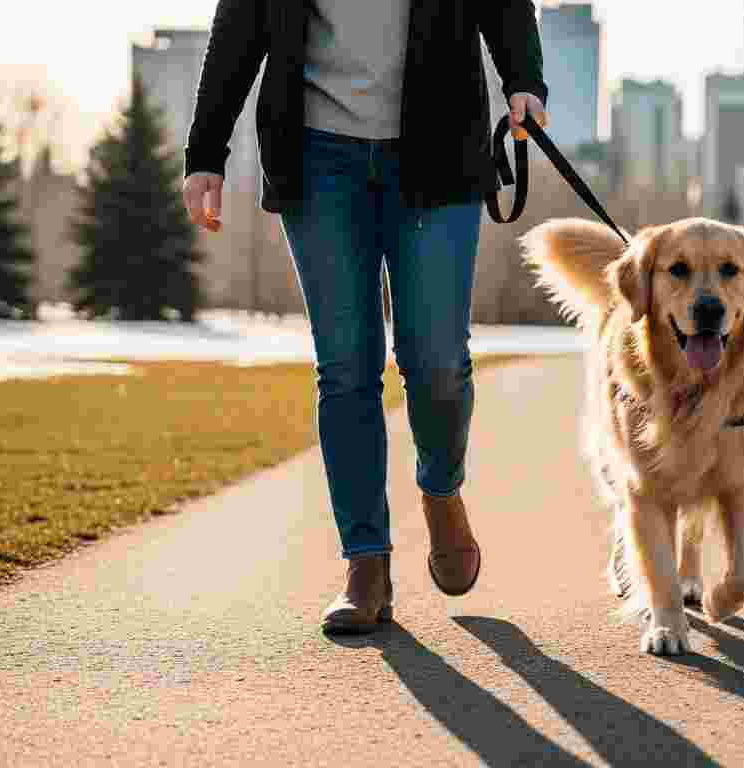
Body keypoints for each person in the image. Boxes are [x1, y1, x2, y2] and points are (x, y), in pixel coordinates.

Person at [181, 0, 547, 633]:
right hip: (318, 158)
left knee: (435, 359)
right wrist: (205, 149)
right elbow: (239, 22)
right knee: (347, 367)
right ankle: (365, 565)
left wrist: (524, 80)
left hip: (436, 145)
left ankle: (440, 487)